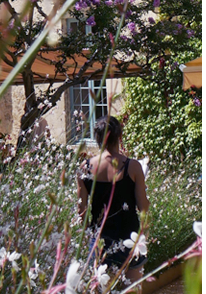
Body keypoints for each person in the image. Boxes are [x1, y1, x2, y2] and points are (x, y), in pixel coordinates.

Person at [78, 115, 150, 289]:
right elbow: (143, 208)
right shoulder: (132, 167)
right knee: (133, 290)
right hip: (129, 238)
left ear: (97, 138)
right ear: (120, 136)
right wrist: (145, 235)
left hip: (100, 242)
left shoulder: (86, 167)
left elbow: (82, 211)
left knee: (101, 289)